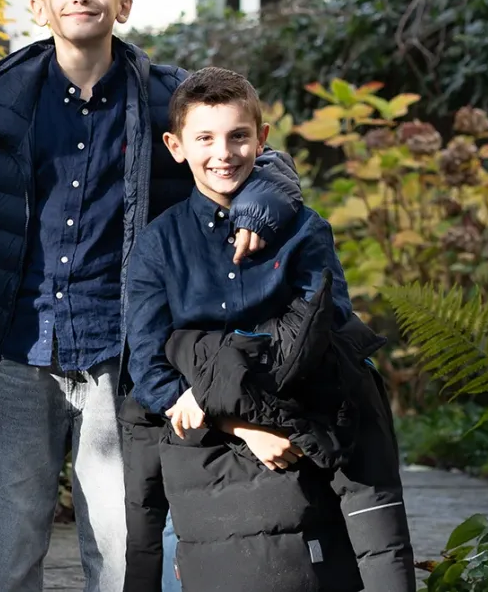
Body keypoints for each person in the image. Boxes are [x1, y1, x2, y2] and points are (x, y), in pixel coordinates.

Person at [0, 0, 304, 592]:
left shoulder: (165, 97)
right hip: (23, 355)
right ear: (40, 6)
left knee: (119, 548)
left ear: (125, 2)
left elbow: (262, 159)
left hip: (120, 358)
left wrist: (257, 207)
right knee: (11, 552)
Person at [125, 66, 416, 592]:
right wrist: (238, 425)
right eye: (205, 139)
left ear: (261, 138)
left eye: (239, 136)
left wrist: (222, 385)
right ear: (175, 146)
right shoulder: (157, 244)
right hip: (207, 439)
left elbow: (321, 330)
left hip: (298, 421)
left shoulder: (304, 229)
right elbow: (148, 365)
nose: (224, 153)